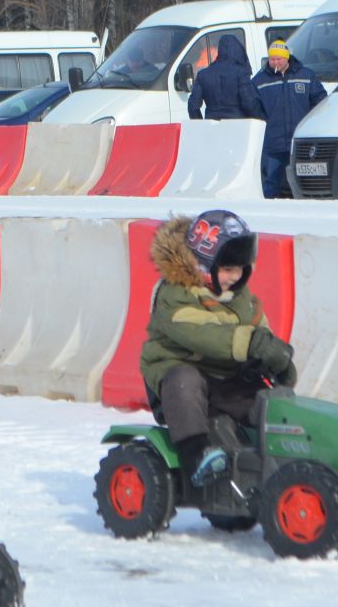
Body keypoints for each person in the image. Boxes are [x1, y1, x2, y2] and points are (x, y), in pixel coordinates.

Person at [140, 210, 297, 485]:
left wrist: (278, 362)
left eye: (239, 269)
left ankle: (282, 461)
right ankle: (196, 454)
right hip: (179, 382)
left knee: (271, 401)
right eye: (227, 269)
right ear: (202, 264)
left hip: (227, 381)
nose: (235, 276)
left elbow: (262, 334)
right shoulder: (174, 295)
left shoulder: (243, 300)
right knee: (184, 379)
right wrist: (250, 343)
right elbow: (202, 334)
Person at [252, 41, 327, 198]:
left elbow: (320, 101)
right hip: (272, 142)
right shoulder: (260, 80)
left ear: (287, 58)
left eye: (279, 59)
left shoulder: (306, 75)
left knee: (304, 180)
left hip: (299, 142)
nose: (275, 62)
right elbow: (253, 106)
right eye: (272, 59)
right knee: (271, 182)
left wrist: (310, 124)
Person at [186, 33, 260, 119]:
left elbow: (192, 105)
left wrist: (200, 124)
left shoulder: (203, 75)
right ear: (238, 51)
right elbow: (250, 103)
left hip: (212, 127)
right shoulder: (240, 73)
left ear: (220, 50)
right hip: (238, 126)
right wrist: (261, 120)